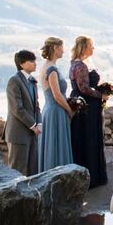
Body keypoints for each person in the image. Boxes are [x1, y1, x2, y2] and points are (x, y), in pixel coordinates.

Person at [69, 34, 111, 188]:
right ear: (85, 48)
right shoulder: (79, 65)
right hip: (86, 108)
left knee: (87, 139)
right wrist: (101, 94)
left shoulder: (78, 63)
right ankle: (91, 177)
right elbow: (84, 88)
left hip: (87, 106)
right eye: (91, 46)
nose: (93, 48)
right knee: (88, 140)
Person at [38, 37, 74, 172]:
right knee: (57, 145)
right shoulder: (51, 69)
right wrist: (70, 110)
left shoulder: (46, 66)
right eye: (61, 47)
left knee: (52, 145)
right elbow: (57, 95)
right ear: (55, 48)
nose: (63, 51)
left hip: (49, 110)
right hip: (56, 111)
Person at [4, 49, 42, 176]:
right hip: (18, 134)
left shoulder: (32, 81)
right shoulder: (14, 81)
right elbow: (17, 109)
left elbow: (37, 106)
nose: (35, 63)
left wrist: (40, 124)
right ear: (22, 64)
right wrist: (33, 125)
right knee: (17, 173)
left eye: (35, 60)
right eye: (31, 61)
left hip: (32, 134)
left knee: (33, 171)